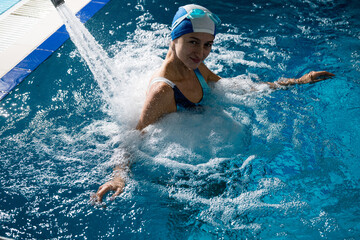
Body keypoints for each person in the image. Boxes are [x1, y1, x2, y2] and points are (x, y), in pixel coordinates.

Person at [92, 4, 335, 204]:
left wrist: (297, 81)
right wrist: (118, 175)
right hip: (181, 174)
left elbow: (237, 87)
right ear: (174, 37)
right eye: (193, 41)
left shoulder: (194, 66)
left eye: (207, 45)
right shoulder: (164, 90)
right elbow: (134, 136)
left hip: (208, 150)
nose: (201, 52)